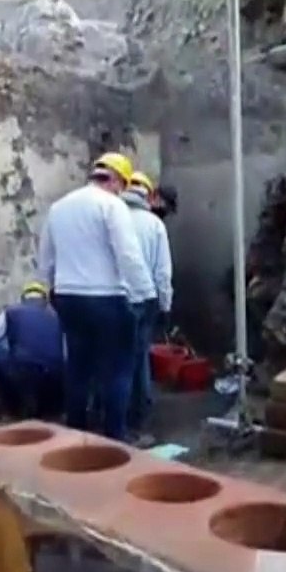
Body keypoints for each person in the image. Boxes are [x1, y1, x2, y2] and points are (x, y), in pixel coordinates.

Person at [36, 152, 154, 441]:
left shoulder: (58, 208)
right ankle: (116, 435)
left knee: (78, 367)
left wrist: (49, 290)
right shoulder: (112, 206)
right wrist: (146, 294)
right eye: (122, 186)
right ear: (117, 181)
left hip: (68, 297)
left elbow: (45, 259)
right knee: (118, 369)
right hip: (107, 298)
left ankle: (77, 431)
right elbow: (128, 255)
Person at [123, 171, 173, 437]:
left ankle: (109, 418)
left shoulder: (111, 219)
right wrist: (165, 306)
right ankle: (140, 420)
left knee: (113, 359)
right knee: (139, 357)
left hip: (112, 298)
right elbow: (162, 273)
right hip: (143, 300)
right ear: (149, 195)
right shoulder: (154, 226)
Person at [0, 282, 65, 417]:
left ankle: (5, 400)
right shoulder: (57, 318)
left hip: (22, 372)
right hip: (54, 376)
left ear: (23, 299)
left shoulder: (12, 312)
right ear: (45, 301)